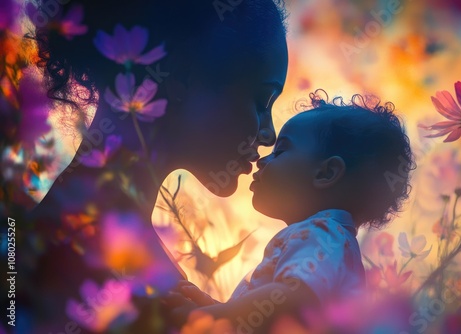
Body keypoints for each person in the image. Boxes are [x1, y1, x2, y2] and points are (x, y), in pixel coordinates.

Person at [22, 0, 288, 332]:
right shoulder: (74, 251)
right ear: (180, 76)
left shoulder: (77, 231)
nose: (269, 134)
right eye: (262, 100)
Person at [166, 92, 415, 332]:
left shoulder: (322, 234)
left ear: (326, 173)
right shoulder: (336, 241)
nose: (262, 159)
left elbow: (295, 300)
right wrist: (218, 309)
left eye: (281, 150)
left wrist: (207, 316)